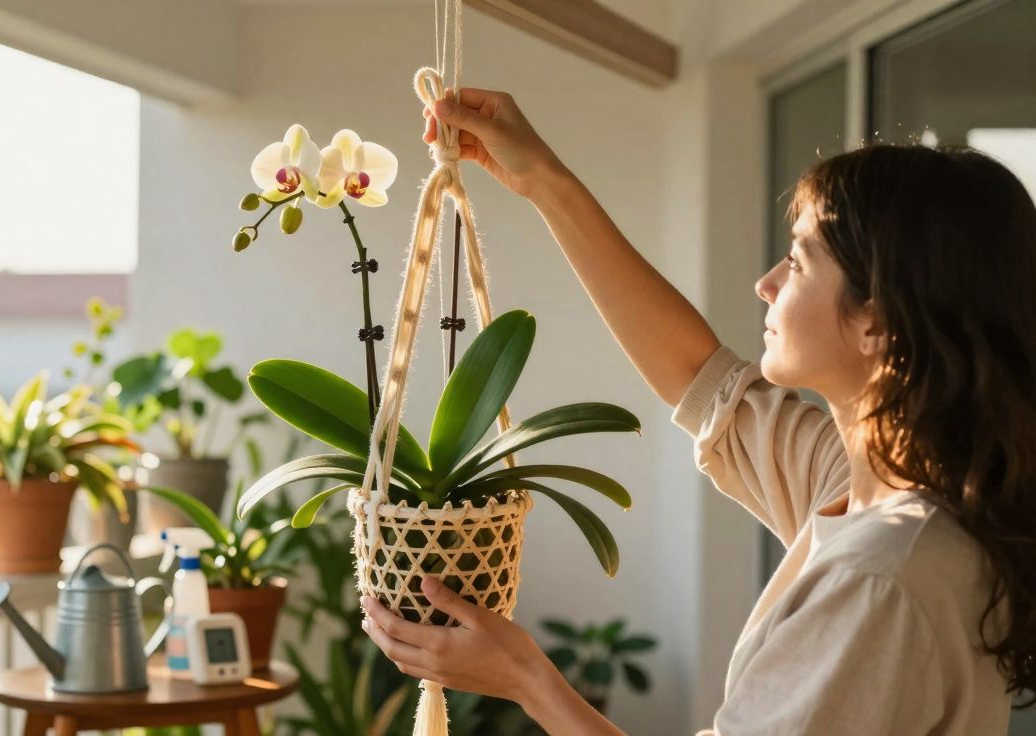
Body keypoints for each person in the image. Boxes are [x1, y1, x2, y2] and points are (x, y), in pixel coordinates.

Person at [359, 88, 1036, 735]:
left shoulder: (882, 577)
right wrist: (541, 178)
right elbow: (696, 374)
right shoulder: (867, 486)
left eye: (798, 262)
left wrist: (527, 680)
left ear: (878, 321)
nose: (766, 284)